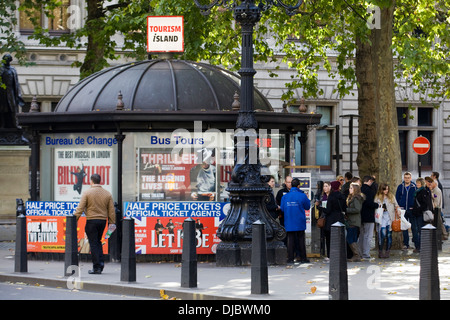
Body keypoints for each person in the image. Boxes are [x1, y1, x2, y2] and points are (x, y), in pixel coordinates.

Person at [74, 174, 115, 274]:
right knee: (98, 242)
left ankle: (96, 267)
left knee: (93, 243)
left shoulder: (87, 193)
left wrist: (74, 219)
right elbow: (111, 211)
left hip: (91, 221)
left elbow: (80, 208)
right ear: (99, 181)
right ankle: (100, 264)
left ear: (91, 181)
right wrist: (112, 223)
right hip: (102, 222)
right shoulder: (107, 194)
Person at [280, 178, 311, 264]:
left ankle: (290, 258)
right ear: (298, 186)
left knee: (290, 239)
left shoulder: (285, 196)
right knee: (301, 239)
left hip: (289, 220)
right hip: (300, 220)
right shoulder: (302, 195)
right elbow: (307, 207)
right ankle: (303, 257)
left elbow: (282, 208)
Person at [322, 180, 346, 259]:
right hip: (340, 218)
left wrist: (321, 208)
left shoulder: (331, 197)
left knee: (329, 239)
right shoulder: (342, 196)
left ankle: (330, 255)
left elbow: (328, 210)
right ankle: (339, 255)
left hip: (331, 220)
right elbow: (344, 208)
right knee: (339, 239)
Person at [375, 183, 400, 258]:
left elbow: (396, 204)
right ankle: (380, 251)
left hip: (390, 217)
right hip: (381, 217)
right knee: (382, 234)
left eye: (387, 189)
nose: (386, 191)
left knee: (389, 235)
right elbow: (375, 206)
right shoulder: (377, 197)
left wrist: (398, 210)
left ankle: (387, 251)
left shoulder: (391, 196)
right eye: (384, 189)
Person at [0, 53, 24, 128]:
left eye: (8, 59)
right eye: (5, 59)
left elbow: (16, 83)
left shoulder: (13, 69)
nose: (6, 61)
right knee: (2, 109)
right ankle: (2, 125)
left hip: (11, 92)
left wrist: (18, 95)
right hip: (2, 92)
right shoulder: (1, 69)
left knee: (12, 109)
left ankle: (15, 124)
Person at [395, 172, 417, 250]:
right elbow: (397, 198)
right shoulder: (400, 187)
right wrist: (398, 207)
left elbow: (416, 198)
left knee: (414, 227)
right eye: (405, 177)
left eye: (408, 177)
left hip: (411, 210)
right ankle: (406, 244)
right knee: (404, 228)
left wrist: (414, 207)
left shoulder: (414, 187)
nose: (407, 179)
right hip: (403, 210)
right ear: (404, 178)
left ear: (410, 178)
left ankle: (416, 245)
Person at [359, 176, 378, 260]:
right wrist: (377, 205)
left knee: (361, 235)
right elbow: (370, 203)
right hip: (369, 216)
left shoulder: (359, 189)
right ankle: (366, 254)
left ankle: (360, 253)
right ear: (369, 181)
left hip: (360, 216)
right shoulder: (369, 191)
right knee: (368, 236)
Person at [345, 183, 364, 262]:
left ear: (355, 189)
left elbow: (357, 209)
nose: (349, 189)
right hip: (352, 221)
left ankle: (357, 255)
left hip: (354, 221)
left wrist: (347, 210)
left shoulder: (356, 198)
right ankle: (357, 254)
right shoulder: (352, 197)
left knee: (350, 238)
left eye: (351, 188)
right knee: (352, 239)